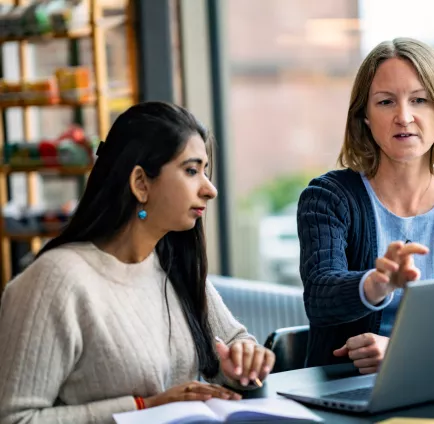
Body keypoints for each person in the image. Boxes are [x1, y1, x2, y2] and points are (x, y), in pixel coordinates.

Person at [0, 102, 275, 424]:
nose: (210, 189)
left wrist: (243, 364)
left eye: (205, 170)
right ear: (141, 183)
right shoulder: (55, 280)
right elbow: (16, 418)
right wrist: (144, 406)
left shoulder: (171, 265)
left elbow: (234, 341)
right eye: (191, 170)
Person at [297, 38, 434, 371]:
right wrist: (379, 282)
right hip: (346, 388)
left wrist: (402, 351)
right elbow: (320, 299)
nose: (404, 117)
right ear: (364, 116)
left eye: (419, 100)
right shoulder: (328, 197)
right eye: (386, 102)